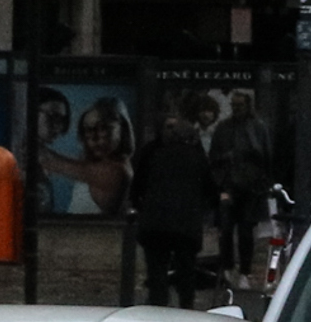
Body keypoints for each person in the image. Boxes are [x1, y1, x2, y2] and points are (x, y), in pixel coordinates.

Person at [130, 114, 218, 309]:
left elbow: (138, 186)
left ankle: (158, 307)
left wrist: (139, 205)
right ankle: (186, 308)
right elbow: (210, 189)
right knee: (185, 270)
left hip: (154, 223)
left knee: (157, 270)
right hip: (185, 225)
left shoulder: (154, 154)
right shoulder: (197, 158)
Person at [208, 89, 272, 288]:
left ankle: (244, 270)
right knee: (226, 229)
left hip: (250, 187)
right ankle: (227, 267)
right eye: (233, 105)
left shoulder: (258, 128)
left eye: (240, 105)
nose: (236, 109)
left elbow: (267, 158)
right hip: (228, 185)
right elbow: (213, 158)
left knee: (245, 231)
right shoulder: (224, 128)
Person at [42, 95, 133, 216]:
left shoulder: (117, 170)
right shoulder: (93, 163)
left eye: (103, 129)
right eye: (89, 130)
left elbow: (50, 161)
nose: (94, 138)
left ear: (122, 129)